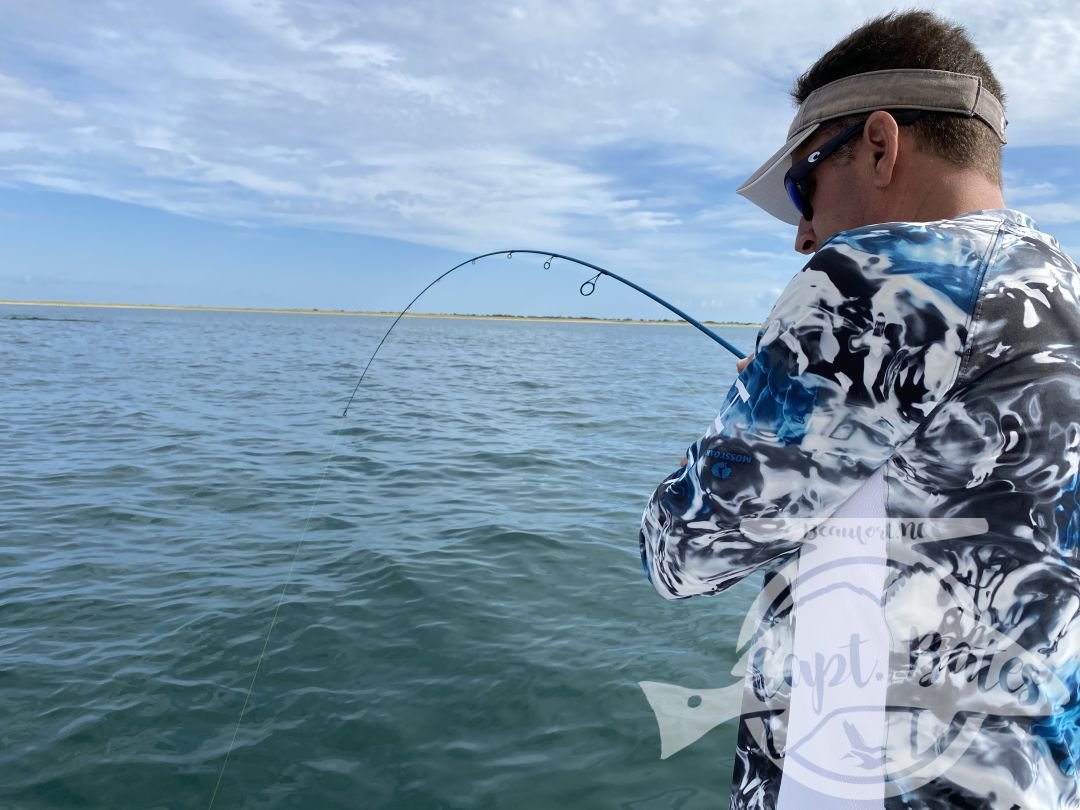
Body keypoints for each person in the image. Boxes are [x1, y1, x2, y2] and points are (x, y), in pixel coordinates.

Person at [639, 10, 1080, 810]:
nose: (804, 234)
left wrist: (732, 434)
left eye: (804, 185)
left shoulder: (877, 278)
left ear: (880, 143)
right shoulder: (1059, 283)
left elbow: (680, 553)